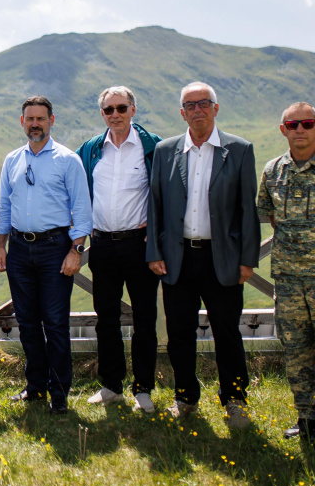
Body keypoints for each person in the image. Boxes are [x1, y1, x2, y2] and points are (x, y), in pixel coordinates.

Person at [146, 82, 260, 428]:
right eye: (190, 105)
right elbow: (155, 206)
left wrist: (247, 260)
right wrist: (154, 251)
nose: (197, 110)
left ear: (216, 108)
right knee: (180, 333)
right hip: (177, 258)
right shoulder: (166, 151)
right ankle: (185, 397)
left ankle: (235, 400)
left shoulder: (238, 150)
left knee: (227, 331)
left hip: (221, 257)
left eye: (203, 103)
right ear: (182, 113)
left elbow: (247, 209)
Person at [0, 96, 92, 413]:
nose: (35, 124)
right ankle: (35, 387)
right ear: (21, 121)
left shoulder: (68, 160)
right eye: (29, 118)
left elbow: (82, 210)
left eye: (41, 118)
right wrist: (1, 246)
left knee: (55, 323)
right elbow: (5, 206)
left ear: (52, 120)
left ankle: (60, 392)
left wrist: (76, 250)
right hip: (20, 249)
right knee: (27, 322)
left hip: (55, 248)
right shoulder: (12, 160)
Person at [76, 86, 161, 413]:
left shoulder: (152, 147)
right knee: (106, 319)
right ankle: (111, 386)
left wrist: (156, 239)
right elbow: (76, 193)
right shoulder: (91, 149)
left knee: (145, 318)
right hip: (102, 245)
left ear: (133, 110)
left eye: (121, 108)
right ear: (102, 114)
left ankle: (143, 388)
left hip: (139, 246)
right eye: (109, 110)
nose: (115, 115)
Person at [257, 102, 315, 440]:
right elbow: (269, 215)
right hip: (289, 281)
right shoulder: (273, 170)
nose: (300, 130)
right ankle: (307, 418)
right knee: (296, 352)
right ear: (283, 130)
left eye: (307, 123)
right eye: (293, 125)